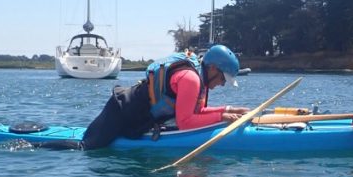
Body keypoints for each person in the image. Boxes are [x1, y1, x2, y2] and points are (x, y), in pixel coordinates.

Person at [81, 45, 250, 150]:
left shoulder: (199, 78)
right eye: (223, 78)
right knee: (85, 147)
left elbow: (196, 111)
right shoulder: (191, 79)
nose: (222, 84)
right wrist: (221, 117)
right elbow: (186, 121)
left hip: (136, 114)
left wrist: (228, 109)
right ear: (212, 68)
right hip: (122, 111)